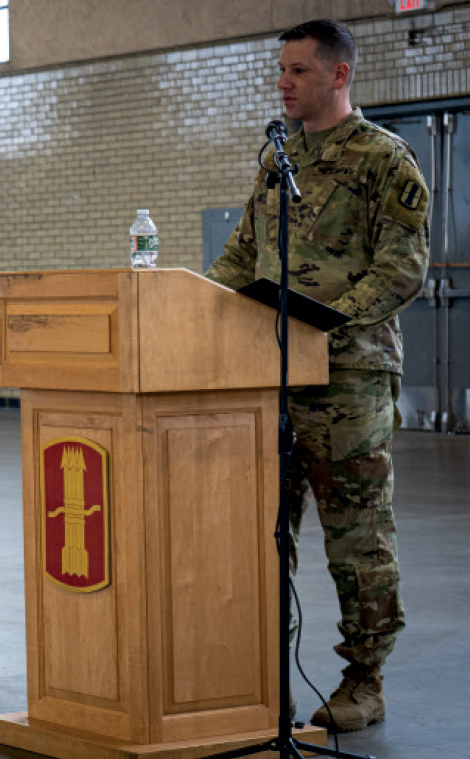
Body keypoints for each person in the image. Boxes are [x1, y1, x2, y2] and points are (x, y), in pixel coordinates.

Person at [205, 19, 429, 733]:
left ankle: (365, 678)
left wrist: (326, 324)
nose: (284, 81)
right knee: (262, 532)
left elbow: (401, 268)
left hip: (349, 380)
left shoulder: (384, 159)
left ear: (339, 75)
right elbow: (242, 257)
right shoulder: (277, 159)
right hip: (268, 378)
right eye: (281, 70)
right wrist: (190, 309)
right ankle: (261, 675)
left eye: (298, 70)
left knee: (356, 535)